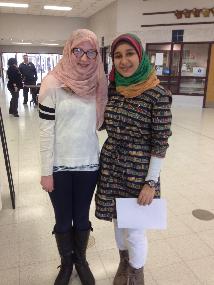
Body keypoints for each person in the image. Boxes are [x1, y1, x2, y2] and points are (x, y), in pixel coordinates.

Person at [95, 33, 172, 285]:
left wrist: (151, 182)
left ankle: (137, 274)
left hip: (139, 174)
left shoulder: (157, 94)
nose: (123, 61)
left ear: (140, 56)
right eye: (118, 55)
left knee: (136, 230)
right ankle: (124, 263)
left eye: (129, 54)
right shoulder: (114, 89)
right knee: (118, 223)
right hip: (112, 168)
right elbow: (101, 121)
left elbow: (160, 143)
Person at [39, 29, 107, 285]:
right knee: (62, 217)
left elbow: (100, 124)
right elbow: (45, 133)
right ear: (69, 50)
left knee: (81, 216)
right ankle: (66, 263)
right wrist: (46, 172)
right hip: (59, 167)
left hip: (88, 164)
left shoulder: (98, 83)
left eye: (91, 52)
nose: (84, 58)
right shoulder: (52, 83)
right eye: (78, 50)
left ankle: (81, 259)